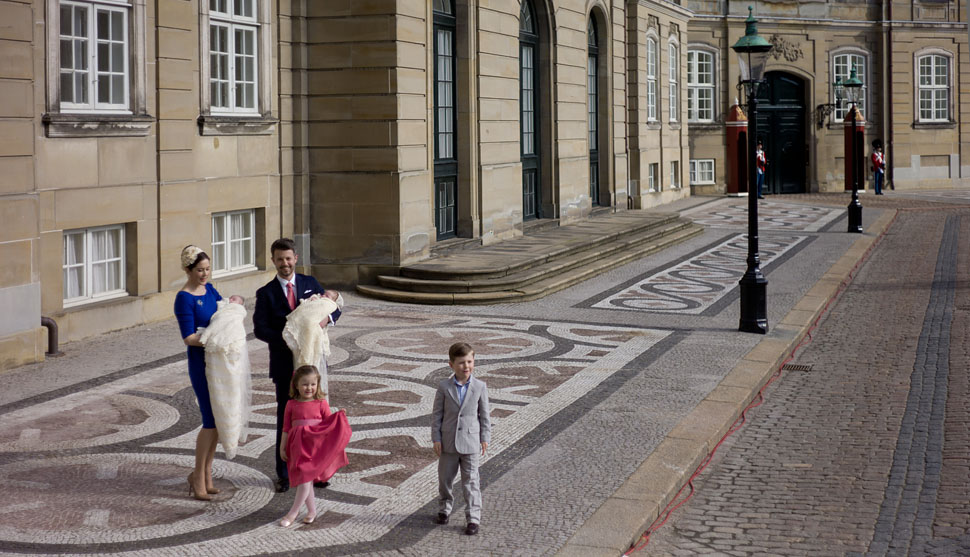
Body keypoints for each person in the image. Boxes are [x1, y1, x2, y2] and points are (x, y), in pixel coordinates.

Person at [253, 238, 342, 493]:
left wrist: (326, 321)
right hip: (285, 366)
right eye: (280, 259)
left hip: (313, 365)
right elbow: (260, 329)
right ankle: (284, 473)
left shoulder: (309, 283)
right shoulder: (266, 293)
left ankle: (319, 471)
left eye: (289, 258)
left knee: (318, 417)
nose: (285, 263)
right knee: (287, 419)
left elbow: (334, 308)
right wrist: (288, 338)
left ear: (295, 258)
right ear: (273, 261)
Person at [173, 245, 225, 501]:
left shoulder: (210, 289)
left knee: (218, 420)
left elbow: (222, 314)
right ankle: (197, 475)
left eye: (207, 269)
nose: (205, 274)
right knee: (209, 420)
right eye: (200, 270)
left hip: (218, 361)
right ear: (188, 270)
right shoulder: (184, 297)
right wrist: (214, 338)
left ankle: (206, 474)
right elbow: (189, 337)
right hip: (201, 361)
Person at [279, 365, 351, 527]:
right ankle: (312, 511)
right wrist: (282, 447)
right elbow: (285, 428)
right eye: (304, 384)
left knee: (305, 480)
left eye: (313, 384)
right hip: (298, 447)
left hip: (314, 448)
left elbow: (329, 423)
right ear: (296, 385)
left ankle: (292, 513)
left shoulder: (321, 403)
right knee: (306, 480)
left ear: (318, 384)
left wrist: (339, 416)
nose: (309, 388)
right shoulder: (291, 404)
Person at [431, 342, 491, 536]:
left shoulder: (480, 386)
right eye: (461, 363)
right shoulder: (444, 386)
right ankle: (444, 508)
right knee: (445, 480)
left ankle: (473, 517)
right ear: (451, 365)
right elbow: (437, 415)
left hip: (471, 441)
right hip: (448, 442)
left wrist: (484, 437)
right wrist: (436, 438)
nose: (466, 366)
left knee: (471, 481)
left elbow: (484, 416)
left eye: (469, 361)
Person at [198, 294, 251, 460]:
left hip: (230, 353)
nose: (230, 300)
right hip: (216, 359)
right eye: (231, 298)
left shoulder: (236, 311)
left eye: (235, 299)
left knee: (232, 398)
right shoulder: (218, 301)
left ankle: (231, 439)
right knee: (220, 401)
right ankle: (228, 441)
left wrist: (207, 335)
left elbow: (223, 321)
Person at [283, 292, 343, 402]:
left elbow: (337, 309)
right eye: (324, 294)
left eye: (327, 296)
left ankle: (317, 407)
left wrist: (328, 318)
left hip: (312, 340)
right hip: (290, 343)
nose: (323, 296)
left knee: (312, 376)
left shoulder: (311, 283)